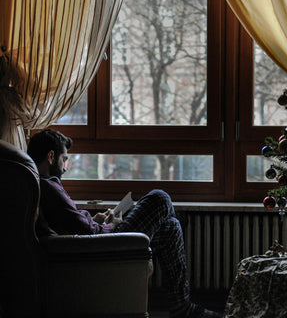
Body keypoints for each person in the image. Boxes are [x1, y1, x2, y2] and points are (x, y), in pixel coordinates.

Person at [27, 129, 221, 318]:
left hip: (94, 240)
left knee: (171, 227)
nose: (65, 167)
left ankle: (181, 307)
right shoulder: (48, 187)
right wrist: (113, 225)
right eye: (64, 159)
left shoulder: (42, 185)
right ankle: (182, 309)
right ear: (51, 157)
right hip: (100, 247)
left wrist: (95, 219)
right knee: (159, 198)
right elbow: (82, 230)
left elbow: (73, 224)